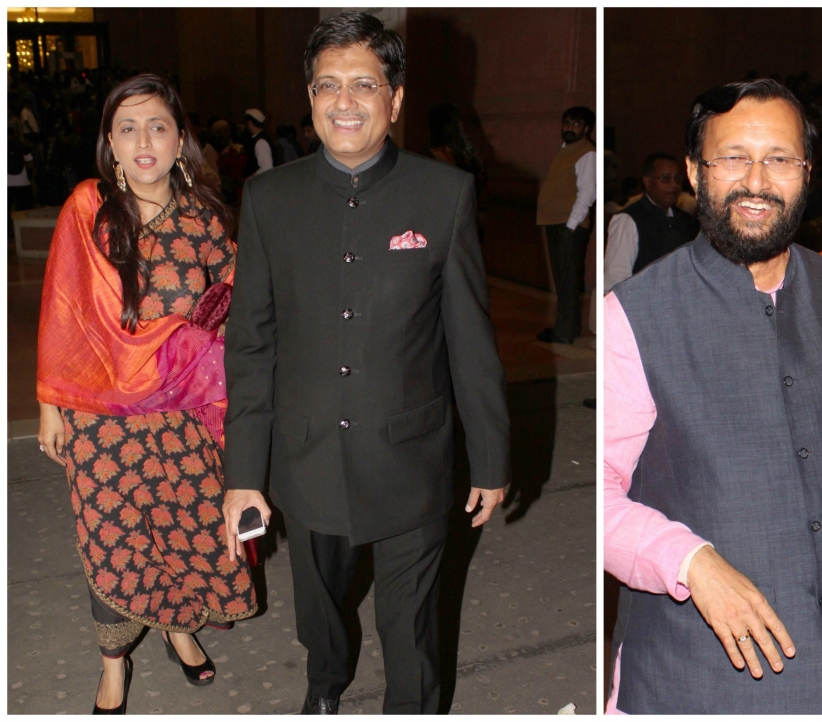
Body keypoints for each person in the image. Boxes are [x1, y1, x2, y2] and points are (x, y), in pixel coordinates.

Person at [605, 79, 822, 715]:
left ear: (807, 173)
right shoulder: (637, 314)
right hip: (693, 679)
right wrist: (690, 562)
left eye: (779, 159)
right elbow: (600, 498)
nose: (756, 181)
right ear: (695, 171)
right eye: (733, 158)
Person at [221, 12, 510, 715]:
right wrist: (243, 475)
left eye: (364, 84)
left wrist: (491, 457)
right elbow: (251, 344)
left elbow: (469, 339)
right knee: (319, 609)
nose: (344, 102)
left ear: (395, 99)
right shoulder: (268, 199)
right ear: (310, 97)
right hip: (306, 455)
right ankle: (325, 684)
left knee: (412, 630)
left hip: (411, 456)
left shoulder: (443, 195)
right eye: (328, 85)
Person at [35, 73, 251, 714]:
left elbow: (238, 303)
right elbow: (62, 312)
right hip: (101, 420)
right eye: (127, 129)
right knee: (115, 540)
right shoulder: (88, 212)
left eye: (158, 126)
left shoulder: (205, 218)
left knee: (183, 530)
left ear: (181, 139)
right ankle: (113, 667)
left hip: (182, 416)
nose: (144, 142)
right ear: (110, 142)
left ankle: (178, 628)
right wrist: (49, 405)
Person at [535, 106, 596, 344]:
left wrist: (570, 227)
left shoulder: (587, 153)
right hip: (557, 223)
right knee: (563, 279)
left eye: (576, 124)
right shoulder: (566, 149)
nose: (570, 128)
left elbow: (587, 194)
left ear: (587, 128)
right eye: (567, 123)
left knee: (568, 280)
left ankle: (564, 333)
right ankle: (565, 327)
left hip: (568, 225)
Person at [603, 152, 698, 293]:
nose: (674, 185)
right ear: (647, 182)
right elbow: (615, 280)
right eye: (665, 179)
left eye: (678, 179)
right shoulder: (628, 219)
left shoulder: (686, 220)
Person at [242, 108, 280, 178]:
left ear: (250, 123)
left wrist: (252, 177)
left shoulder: (261, 142)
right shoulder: (263, 138)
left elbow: (267, 168)